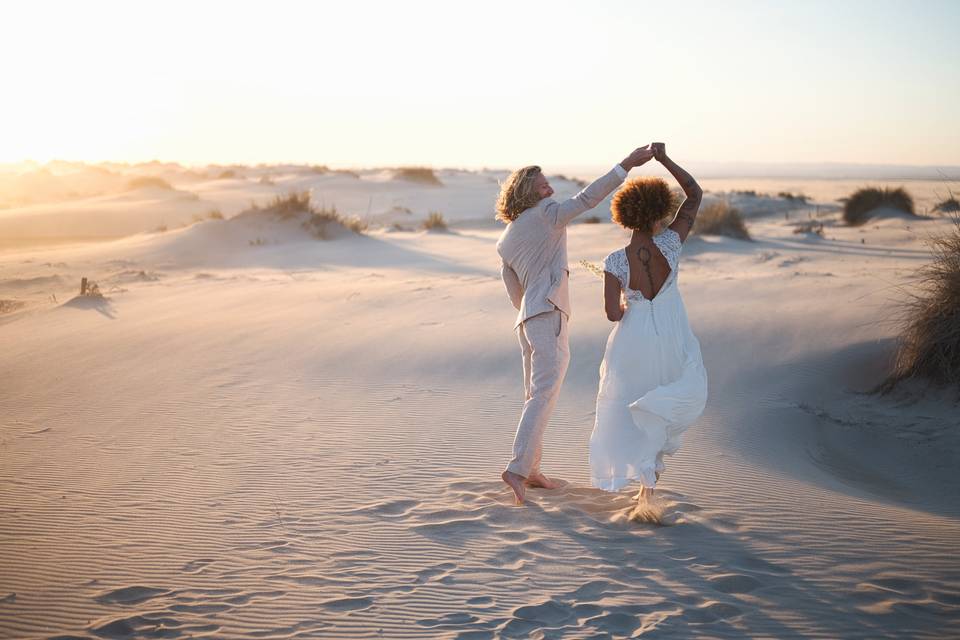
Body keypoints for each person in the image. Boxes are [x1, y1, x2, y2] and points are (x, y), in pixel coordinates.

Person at [495, 146, 656, 505]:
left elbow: (514, 292)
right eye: (543, 186)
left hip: (526, 320)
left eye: (549, 185)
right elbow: (587, 198)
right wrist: (627, 165)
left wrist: (532, 310)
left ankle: (531, 468)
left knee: (534, 396)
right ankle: (518, 469)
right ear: (527, 192)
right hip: (548, 315)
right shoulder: (547, 216)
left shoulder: (505, 239)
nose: (549, 190)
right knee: (542, 395)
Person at [589, 142, 708, 500]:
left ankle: (640, 479)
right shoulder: (672, 244)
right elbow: (695, 194)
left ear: (623, 214)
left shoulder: (613, 261)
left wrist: (627, 306)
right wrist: (664, 159)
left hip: (634, 338)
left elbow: (612, 314)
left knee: (629, 400)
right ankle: (648, 489)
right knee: (660, 397)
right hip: (672, 332)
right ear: (659, 212)